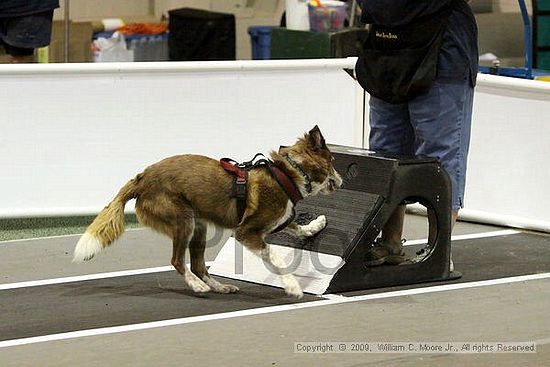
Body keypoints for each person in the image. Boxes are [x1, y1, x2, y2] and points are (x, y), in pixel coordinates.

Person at [355, 0, 479, 268]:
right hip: (387, 46)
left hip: (442, 45)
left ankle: (438, 251)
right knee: (385, 149)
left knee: (439, 153)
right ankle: (389, 242)